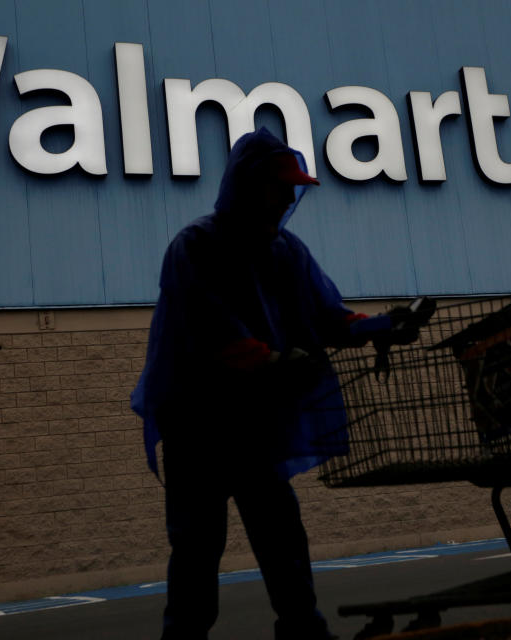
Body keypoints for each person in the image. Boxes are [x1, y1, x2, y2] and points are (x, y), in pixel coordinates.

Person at [131, 127, 366, 640]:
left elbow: (326, 313)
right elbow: (210, 328)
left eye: (292, 187)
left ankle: (304, 631)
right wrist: (275, 361)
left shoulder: (286, 251)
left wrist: (377, 326)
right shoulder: (196, 246)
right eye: (279, 185)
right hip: (198, 425)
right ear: (248, 184)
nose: (287, 196)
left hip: (255, 426)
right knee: (198, 543)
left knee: (282, 533)